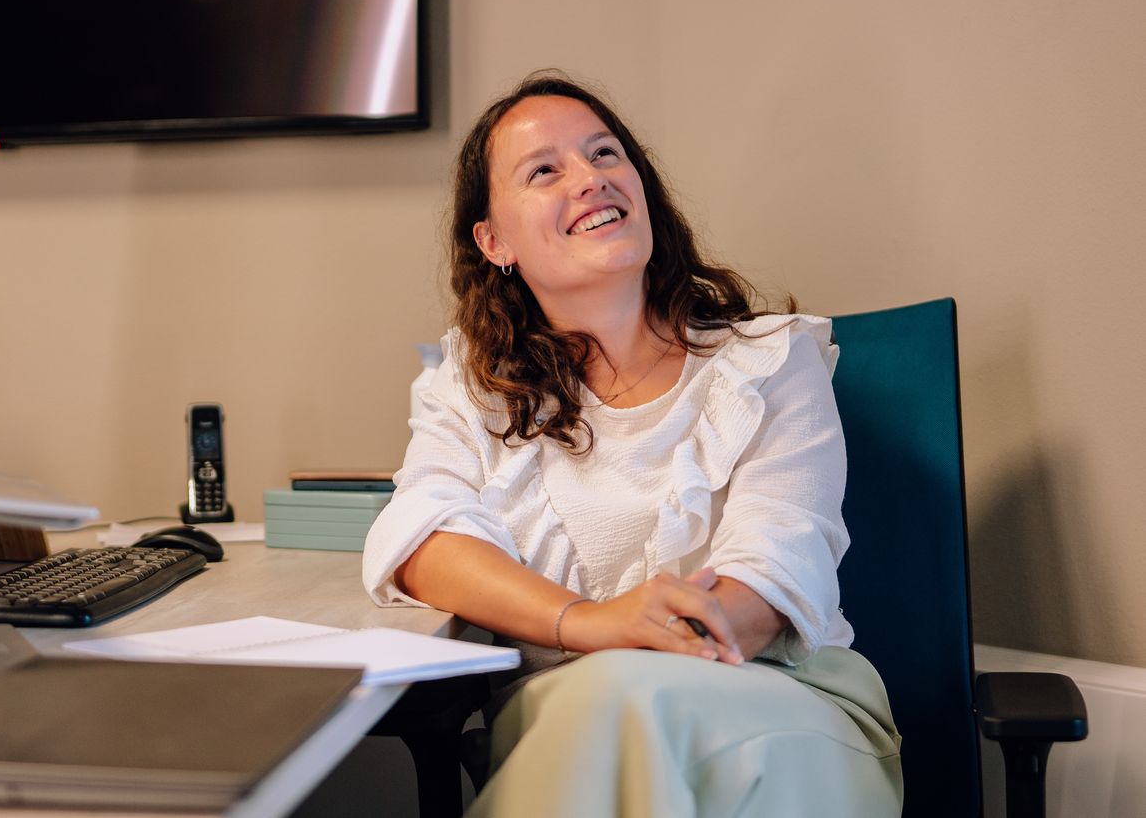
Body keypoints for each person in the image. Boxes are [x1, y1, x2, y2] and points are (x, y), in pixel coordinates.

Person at [362, 72, 903, 817]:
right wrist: (589, 623)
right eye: (544, 171)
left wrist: (644, 647)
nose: (590, 179)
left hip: (779, 702)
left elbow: (776, 565)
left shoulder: (771, 362)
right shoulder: (469, 385)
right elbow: (423, 538)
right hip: (569, 721)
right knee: (610, 708)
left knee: (623, 707)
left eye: (604, 154)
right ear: (494, 241)